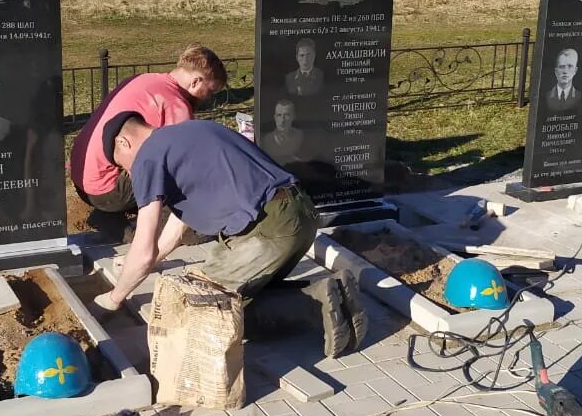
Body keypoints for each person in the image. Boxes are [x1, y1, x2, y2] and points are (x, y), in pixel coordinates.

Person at [94, 113, 367, 358]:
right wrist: (149, 262)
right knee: (245, 292)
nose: (128, 173)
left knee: (209, 310)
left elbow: (143, 251)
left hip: (268, 229)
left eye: (122, 166)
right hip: (301, 214)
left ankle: (315, 305)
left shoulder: (148, 158)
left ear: (124, 143)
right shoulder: (190, 133)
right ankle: (335, 290)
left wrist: (114, 298)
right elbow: (174, 230)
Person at [70, 44, 226, 216]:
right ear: (196, 82)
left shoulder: (143, 79)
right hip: (107, 190)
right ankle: (154, 226)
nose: (209, 98)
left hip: (81, 177)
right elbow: (186, 166)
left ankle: (110, 216)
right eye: (210, 91)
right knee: (182, 174)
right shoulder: (177, 107)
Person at [544, 48, 580, 112]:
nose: (565, 71)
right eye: (561, 67)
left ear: (575, 70)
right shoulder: (546, 97)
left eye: (570, 66)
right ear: (556, 71)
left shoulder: (580, 97)